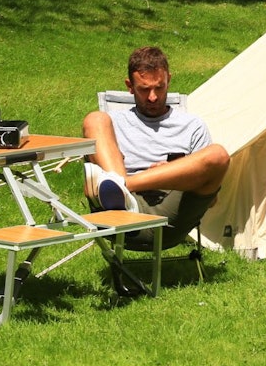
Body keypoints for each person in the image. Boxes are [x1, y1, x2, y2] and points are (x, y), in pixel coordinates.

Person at [82, 46, 229, 249]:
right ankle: (120, 192)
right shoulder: (112, 123)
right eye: (144, 89)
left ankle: (121, 185)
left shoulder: (192, 126)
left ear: (169, 79)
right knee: (94, 119)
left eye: (159, 88)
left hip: (170, 214)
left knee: (218, 154)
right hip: (118, 214)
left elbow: (211, 201)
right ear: (129, 86)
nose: (152, 97)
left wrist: (175, 174)